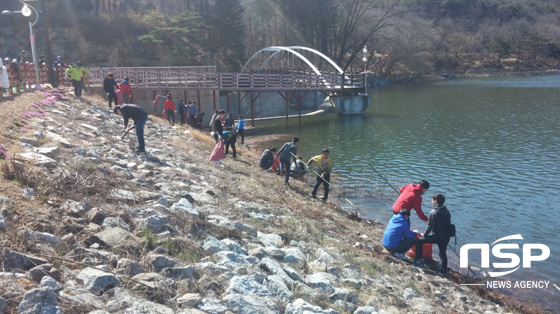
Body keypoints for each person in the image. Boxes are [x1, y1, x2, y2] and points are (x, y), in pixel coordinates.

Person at [413, 194, 453, 275]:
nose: (432, 201)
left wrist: (425, 235)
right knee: (442, 253)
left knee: (418, 241)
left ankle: (419, 259)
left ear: (435, 201)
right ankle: (443, 271)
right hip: (446, 236)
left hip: (437, 236)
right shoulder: (446, 210)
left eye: (432, 200)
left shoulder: (433, 212)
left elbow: (429, 227)